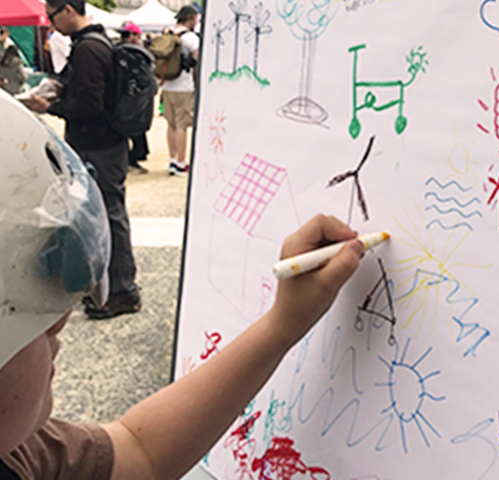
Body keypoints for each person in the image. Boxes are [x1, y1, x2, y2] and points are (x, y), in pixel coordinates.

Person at [0, 89, 364, 480]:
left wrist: (283, 324)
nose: (58, 329)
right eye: (41, 325)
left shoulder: (19, 453)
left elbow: (139, 452)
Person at [25, 0, 141, 320]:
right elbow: (77, 89)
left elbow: (89, 104)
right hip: (104, 145)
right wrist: (55, 89)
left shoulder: (88, 49)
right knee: (105, 214)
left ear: (69, 10)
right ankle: (112, 288)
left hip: (100, 146)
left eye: (52, 13)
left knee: (109, 216)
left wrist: (48, 108)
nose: (50, 21)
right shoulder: (91, 43)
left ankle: (122, 291)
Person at [162, 5, 200, 176]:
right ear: (191, 18)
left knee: (170, 124)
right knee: (182, 126)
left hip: (167, 86)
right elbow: (197, 61)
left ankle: (171, 160)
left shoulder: (169, 34)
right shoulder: (191, 37)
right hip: (183, 87)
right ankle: (181, 163)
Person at [120, 22, 151, 174]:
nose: (138, 39)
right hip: (132, 100)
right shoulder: (133, 53)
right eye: (136, 36)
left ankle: (131, 159)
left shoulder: (119, 51)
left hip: (128, 99)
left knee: (135, 134)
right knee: (134, 133)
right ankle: (131, 160)